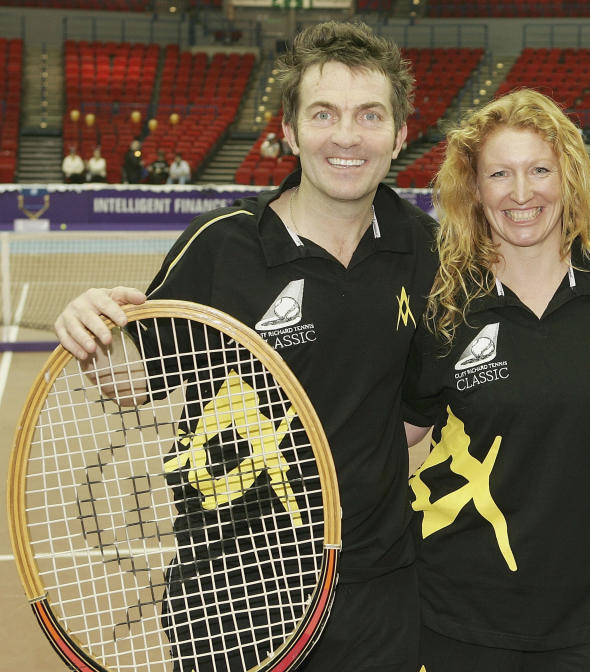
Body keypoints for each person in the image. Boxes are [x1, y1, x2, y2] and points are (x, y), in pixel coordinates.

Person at [53, 20, 438, 672]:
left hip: (374, 584)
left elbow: (410, 416)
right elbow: (133, 378)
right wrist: (92, 329)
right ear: (287, 129)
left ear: (400, 133)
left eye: (370, 115)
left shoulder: (423, 248)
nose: (347, 136)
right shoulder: (223, 246)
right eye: (323, 114)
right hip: (228, 588)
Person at [402, 89, 590, 671]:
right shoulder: (444, 302)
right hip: (459, 611)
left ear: (570, 177)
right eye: (500, 174)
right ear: (475, 189)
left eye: (540, 170)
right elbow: (395, 435)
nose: (521, 193)